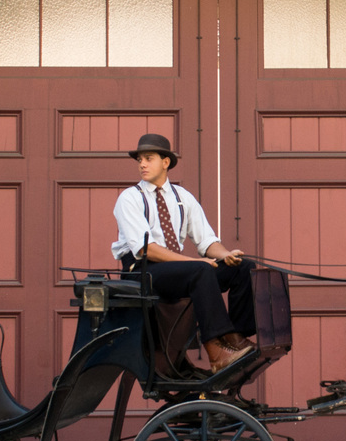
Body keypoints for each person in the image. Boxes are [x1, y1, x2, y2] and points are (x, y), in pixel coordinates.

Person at [110, 133, 258, 370]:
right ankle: (216, 351)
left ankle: (236, 337)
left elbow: (207, 241)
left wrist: (225, 255)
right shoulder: (129, 198)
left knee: (243, 268)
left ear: (165, 162)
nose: (142, 164)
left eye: (149, 158)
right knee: (199, 270)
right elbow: (145, 249)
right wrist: (194, 263)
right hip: (142, 273)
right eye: (140, 160)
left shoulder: (182, 198)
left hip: (177, 270)